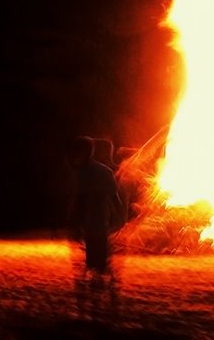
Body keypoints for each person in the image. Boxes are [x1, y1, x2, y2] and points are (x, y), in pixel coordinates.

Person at [68, 134, 123, 313]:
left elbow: (79, 200)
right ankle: (105, 297)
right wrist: (120, 218)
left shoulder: (89, 173)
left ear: (84, 152)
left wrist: (73, 222)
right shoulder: (100, 172)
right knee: (97, 264)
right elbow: (114, 198)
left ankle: (100, 300)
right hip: (96, 224)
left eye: (76, 151)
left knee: (96, 265)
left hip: (95, 224)